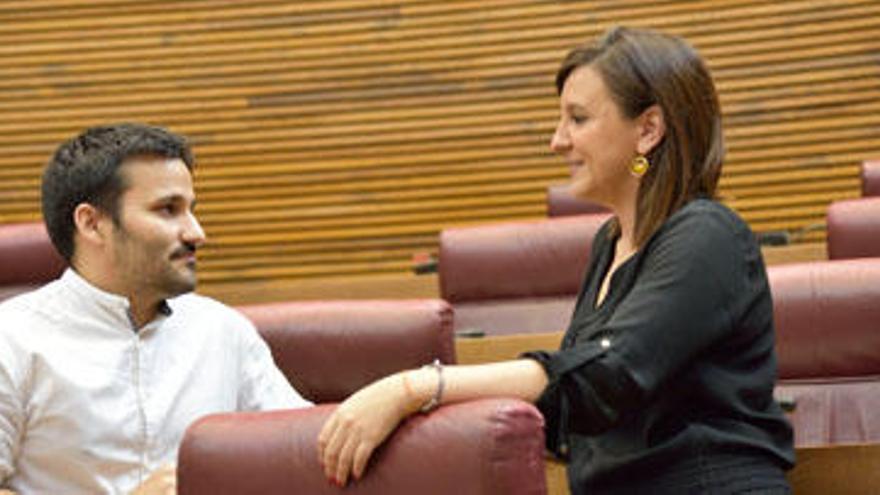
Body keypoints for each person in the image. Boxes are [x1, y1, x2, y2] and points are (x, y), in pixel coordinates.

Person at [317, 27, 794, 494]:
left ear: (648, 130)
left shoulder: (709, 235)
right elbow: (575, 413)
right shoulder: (608, 244)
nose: (557, 140)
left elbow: (602, 377)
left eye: (578, 119)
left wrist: (414, 388)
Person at [0, 123, 311, 494]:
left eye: (191, 210)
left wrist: (396, 393)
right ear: (92, 224)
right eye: (168, 210)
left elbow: (303, 453)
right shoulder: (12, 339)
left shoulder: (223, 330)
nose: (196, 233)